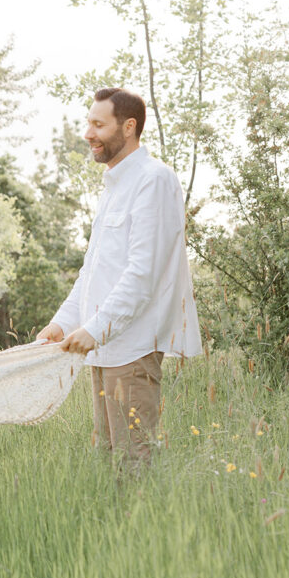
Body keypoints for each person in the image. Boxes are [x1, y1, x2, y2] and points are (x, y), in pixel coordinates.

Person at [37, 87, 202, 471]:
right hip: (104, 350)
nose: (88, 133)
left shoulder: (154, 180)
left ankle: (142, 531)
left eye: (98, 124)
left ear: (128, 127)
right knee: (107, 462)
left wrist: (95, 329)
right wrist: (62, 324)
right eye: (88, 123)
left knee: (133, 464)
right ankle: (113, 531)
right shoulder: (114, 187)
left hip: (132, 351)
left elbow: (142, 274)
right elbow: (92, 272)